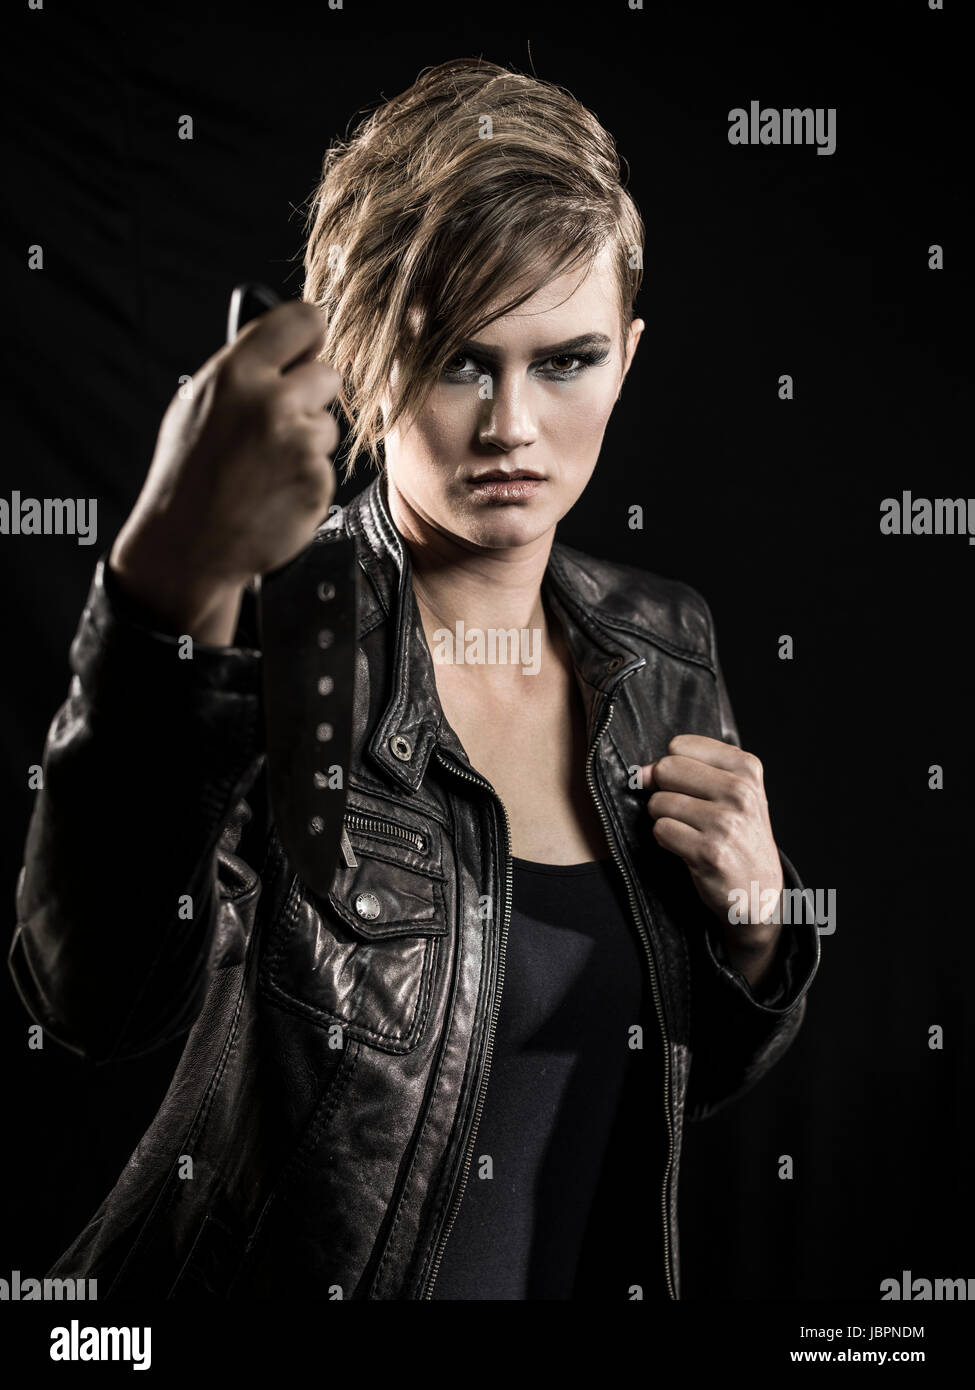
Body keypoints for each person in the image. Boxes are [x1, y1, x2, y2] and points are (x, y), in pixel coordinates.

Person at [9, 57, 820, 1301]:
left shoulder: (666, 646)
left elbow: (650, 1079)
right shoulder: (260, 636)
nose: (511, 426)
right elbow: (92, 1000)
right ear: (363, 355)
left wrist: (762, 940)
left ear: (630, 354)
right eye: (458, 360)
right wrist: (161, 587)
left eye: (566, 360)